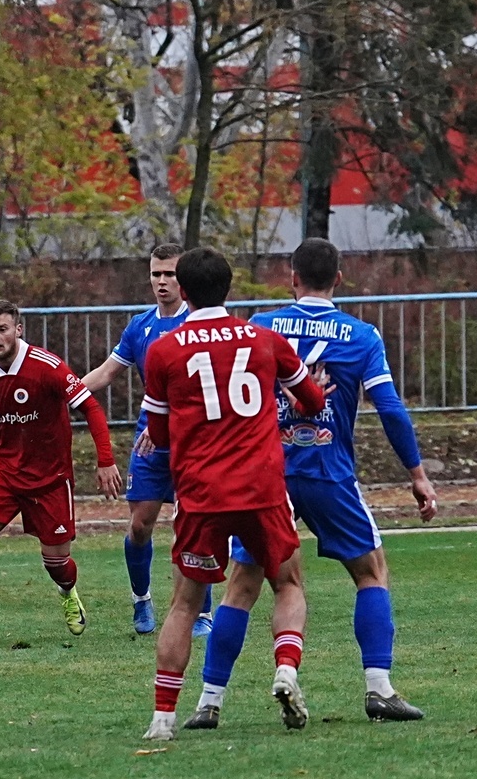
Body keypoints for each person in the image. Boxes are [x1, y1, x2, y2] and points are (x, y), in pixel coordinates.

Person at [187, 238, 437, 728]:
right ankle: (379, 689)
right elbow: (389, 408)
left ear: (292, 278)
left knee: (243, 585)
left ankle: (209, 701)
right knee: (370, 573)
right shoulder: (361, 336)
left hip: (266, 476)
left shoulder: (261, 326)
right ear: (338, 279)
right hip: (329, 471)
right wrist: (417, 474)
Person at [138, 246, 327, 742]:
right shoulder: (265, 339)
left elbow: (158, 434)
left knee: (185, 603)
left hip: (201, 494)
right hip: (262, 487)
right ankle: (285, 667)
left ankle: (162, 719)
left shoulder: (164, 350)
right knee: (288, 583)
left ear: (183, 290)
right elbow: (312, 401)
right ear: (230, 287)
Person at [0, 299, 123, 648]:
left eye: (2, 329)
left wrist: (105, 460)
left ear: (18, 330)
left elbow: (91, 407)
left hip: (50, 479)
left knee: (57, 564)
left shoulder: (46, 366)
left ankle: (67, 592)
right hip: (4, 473)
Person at [82, 244, 214, 637]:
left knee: (191, 526)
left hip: (194, 441)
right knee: (140, 526)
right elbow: (107, 372)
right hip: (150, 442)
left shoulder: (200, 323)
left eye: (169, 274)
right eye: (156, 274)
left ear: (183, 278)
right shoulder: (140, 326)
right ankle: (142, 600)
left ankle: (202, 612)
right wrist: (63, 392)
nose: (162, 281)